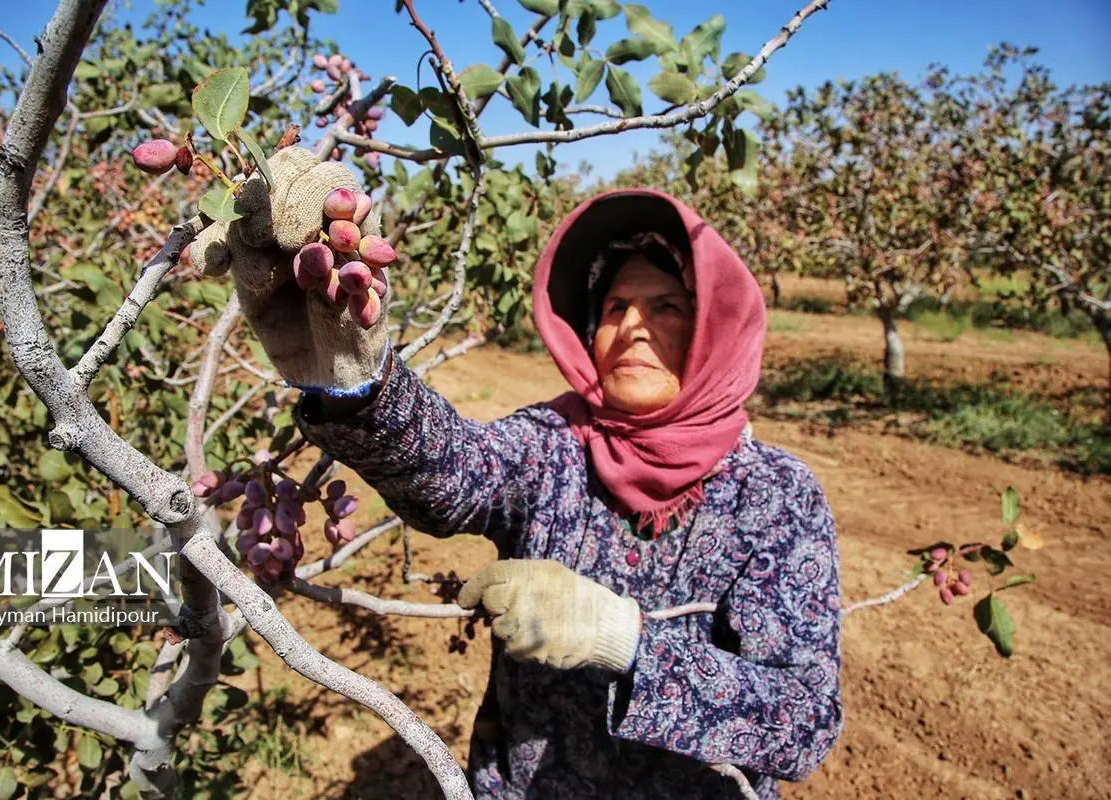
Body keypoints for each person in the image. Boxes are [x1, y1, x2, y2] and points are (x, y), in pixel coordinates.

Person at [190, 149, 844, 799]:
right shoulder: (555, 443)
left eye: (666, 307)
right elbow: (452, 474)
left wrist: (625, 640)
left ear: (716, 329)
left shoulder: (775, 496)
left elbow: (804, 722)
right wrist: (355, 379)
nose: (632, 328)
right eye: (614, 307)